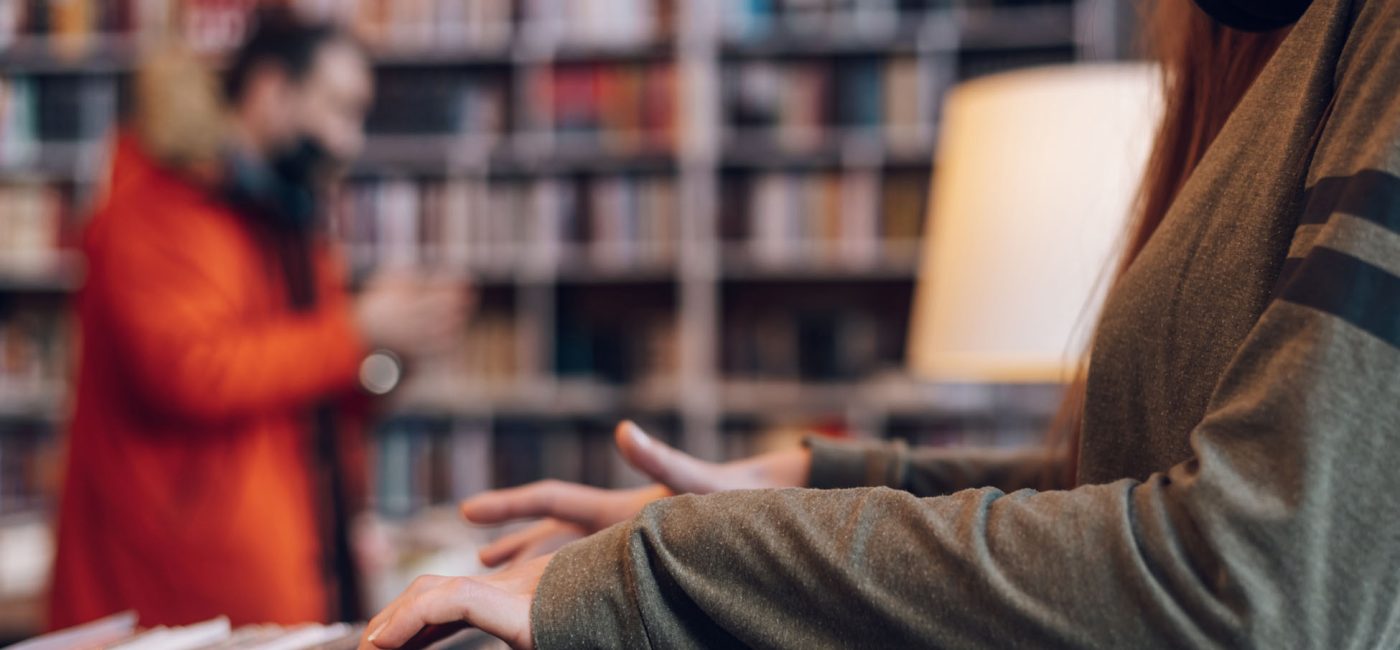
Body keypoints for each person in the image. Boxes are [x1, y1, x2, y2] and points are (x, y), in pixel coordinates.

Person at [361, 0, 1400, 647]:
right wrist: (810, 485)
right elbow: (1130, 483)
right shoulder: (1279, 52)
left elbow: (1251, 586)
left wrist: (670, 565)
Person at [49, 9, 471, 628]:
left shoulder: (286, 213)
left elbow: (318, 384)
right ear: (272, 90)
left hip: (289, 562)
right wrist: (358, 330)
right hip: (181, 594)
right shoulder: (159, 206)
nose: (347, 141)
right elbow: (188, 374)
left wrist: (393, 352)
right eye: (337, 108)